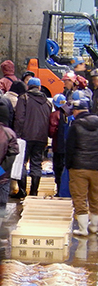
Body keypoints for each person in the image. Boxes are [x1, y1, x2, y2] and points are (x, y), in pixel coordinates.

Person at [65, 94, 98, 235]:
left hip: (78, 167)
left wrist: (69, 165)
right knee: (95, 196)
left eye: (73, 110)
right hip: (96, 167)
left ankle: (83, 228)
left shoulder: (75, 126)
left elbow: (70, 148)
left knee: (79, 197)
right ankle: (94, 226)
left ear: (78, 111)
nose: (72, 112)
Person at [14, 77, 52, 197]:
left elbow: (19, 118)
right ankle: (34, 191)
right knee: (36, 163)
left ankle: (22, 191)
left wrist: (17, 135)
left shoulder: (24, 98)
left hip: (25, 137)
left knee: (22, 163)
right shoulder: (47, 102)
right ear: (40, 87)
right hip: (41, 137)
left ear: (28, 87)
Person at [49, 94, 71, 197]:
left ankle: (59, 191)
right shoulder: (70, 114)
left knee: (58, 168)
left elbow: (51, 132)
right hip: (68, 148)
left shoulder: (54, 115)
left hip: (58, 146)